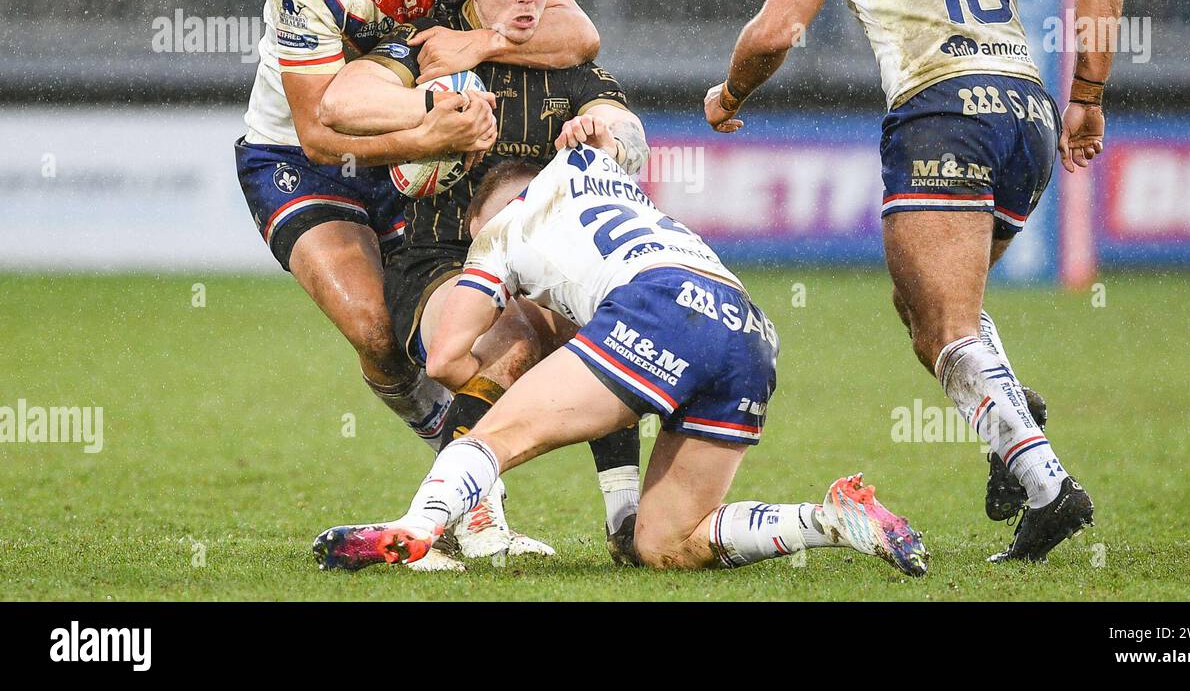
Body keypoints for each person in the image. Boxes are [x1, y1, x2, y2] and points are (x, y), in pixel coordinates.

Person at [703, 0, 1123, 562]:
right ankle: (1010, 427)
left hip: (943, 113)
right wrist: (1088, 98)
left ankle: (1045, 481)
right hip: (1026, 113)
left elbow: (775, 31)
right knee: (924, 309)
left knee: (945, 327)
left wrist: (728, 95)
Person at [312, 119, 928, 577]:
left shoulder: (501, 230)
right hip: (748, 328)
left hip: (658, 305)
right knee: (665, 544)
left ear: (481, 216)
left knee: (490, 441)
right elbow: (619, 132)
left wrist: (508, 387)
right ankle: (830, 519)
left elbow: (446, 358)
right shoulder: (601, 170)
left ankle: (416, 528)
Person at [233, 0, 599, 565]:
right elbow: (317, 128)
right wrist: (428, 133)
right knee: (374, 332)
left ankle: (463, 503)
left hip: (426, 154)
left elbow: (579, 37)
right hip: (305, 163)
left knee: (489, 331)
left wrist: (486, 37)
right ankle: (471, 499)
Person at [318, 0, 647, 566]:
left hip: (542, 270)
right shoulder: (427, 50)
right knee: (512, 337)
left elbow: (628, 133)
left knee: (617, 334)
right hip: (440, 264)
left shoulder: (569, 60)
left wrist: (605, 136)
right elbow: (340, 104)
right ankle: (447, 521)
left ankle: (626, 525)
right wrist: (427, 118)